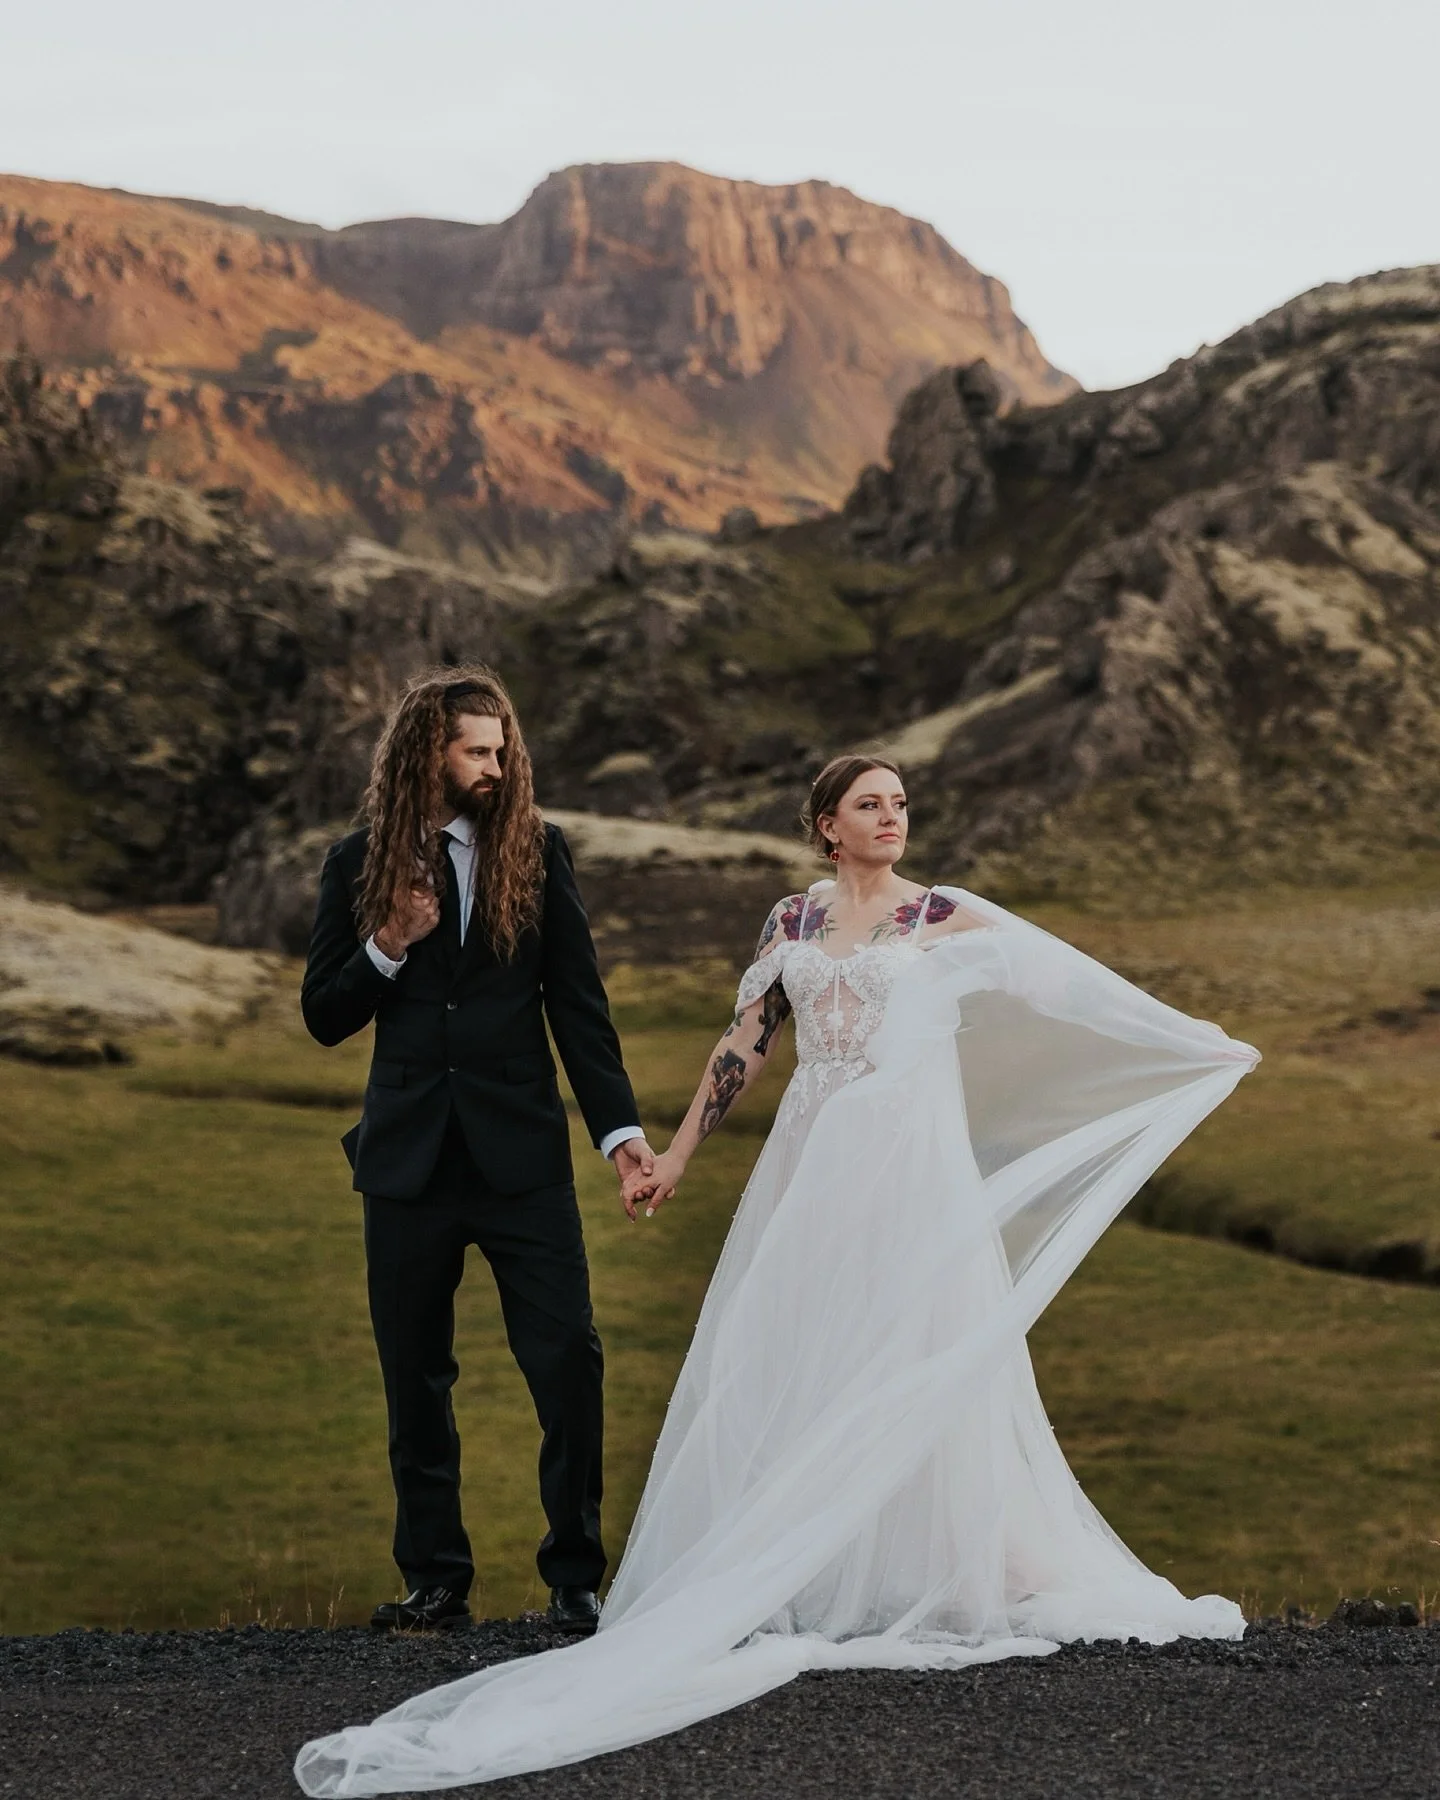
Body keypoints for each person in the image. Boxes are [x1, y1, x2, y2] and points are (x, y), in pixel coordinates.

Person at [296, 753, 1260, 1797]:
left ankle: (969, 1563)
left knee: (923, 1353)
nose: (892, 818)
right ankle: (808, 1564)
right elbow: (745, 1045)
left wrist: (1196, 1043)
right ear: (825, 826)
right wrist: (668, 1156)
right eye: (869, 805)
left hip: (911, 1173)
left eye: (899, 804)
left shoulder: (945, 917)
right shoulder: (791, 925)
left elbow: (1075, 988)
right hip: (810, 1172)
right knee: (799, 1349)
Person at [300, 665, 656, 1641]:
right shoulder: (355, 862)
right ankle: (436, 1582)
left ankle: (575, 1578)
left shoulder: (538, 855)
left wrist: (621, 1139)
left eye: (503, 752)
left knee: (568, 1359)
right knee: (414, 1375)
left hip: (522, 1160)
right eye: (477, 751)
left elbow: (579, 1011)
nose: (497, 767)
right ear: (428, 752)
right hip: (406, 1161)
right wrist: (387, 942)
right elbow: (324, 1015)